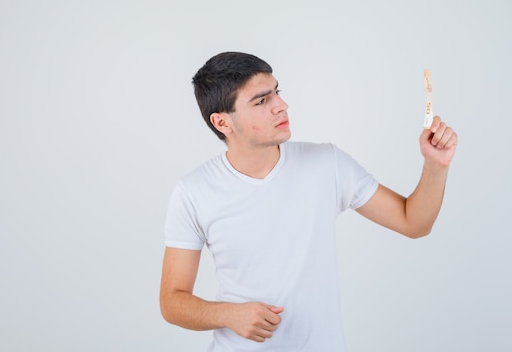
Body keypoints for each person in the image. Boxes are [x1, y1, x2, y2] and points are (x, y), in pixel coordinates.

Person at [160, 51, 458, 351]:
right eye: (262, 101)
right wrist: (228, 314)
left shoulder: (326, 164)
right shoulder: (194, 192)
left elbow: (414, 222)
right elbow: (172, 301)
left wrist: (436, 165)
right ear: (222, 122)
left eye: (277, 92)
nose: (281, 106)